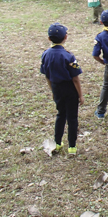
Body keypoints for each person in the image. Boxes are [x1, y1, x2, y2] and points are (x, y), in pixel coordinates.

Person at [40, 23, 84, 155]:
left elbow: (47, 76)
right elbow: (75, 78)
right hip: (70, 89)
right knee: (72, 117)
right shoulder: (68, 56)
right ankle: (72, 146)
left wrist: (52, 90)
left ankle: (57, 143)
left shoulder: (45, 54)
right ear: (65, 37)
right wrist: (80, 95)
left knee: (60, 115)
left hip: (56, 88)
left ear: (49, 38)